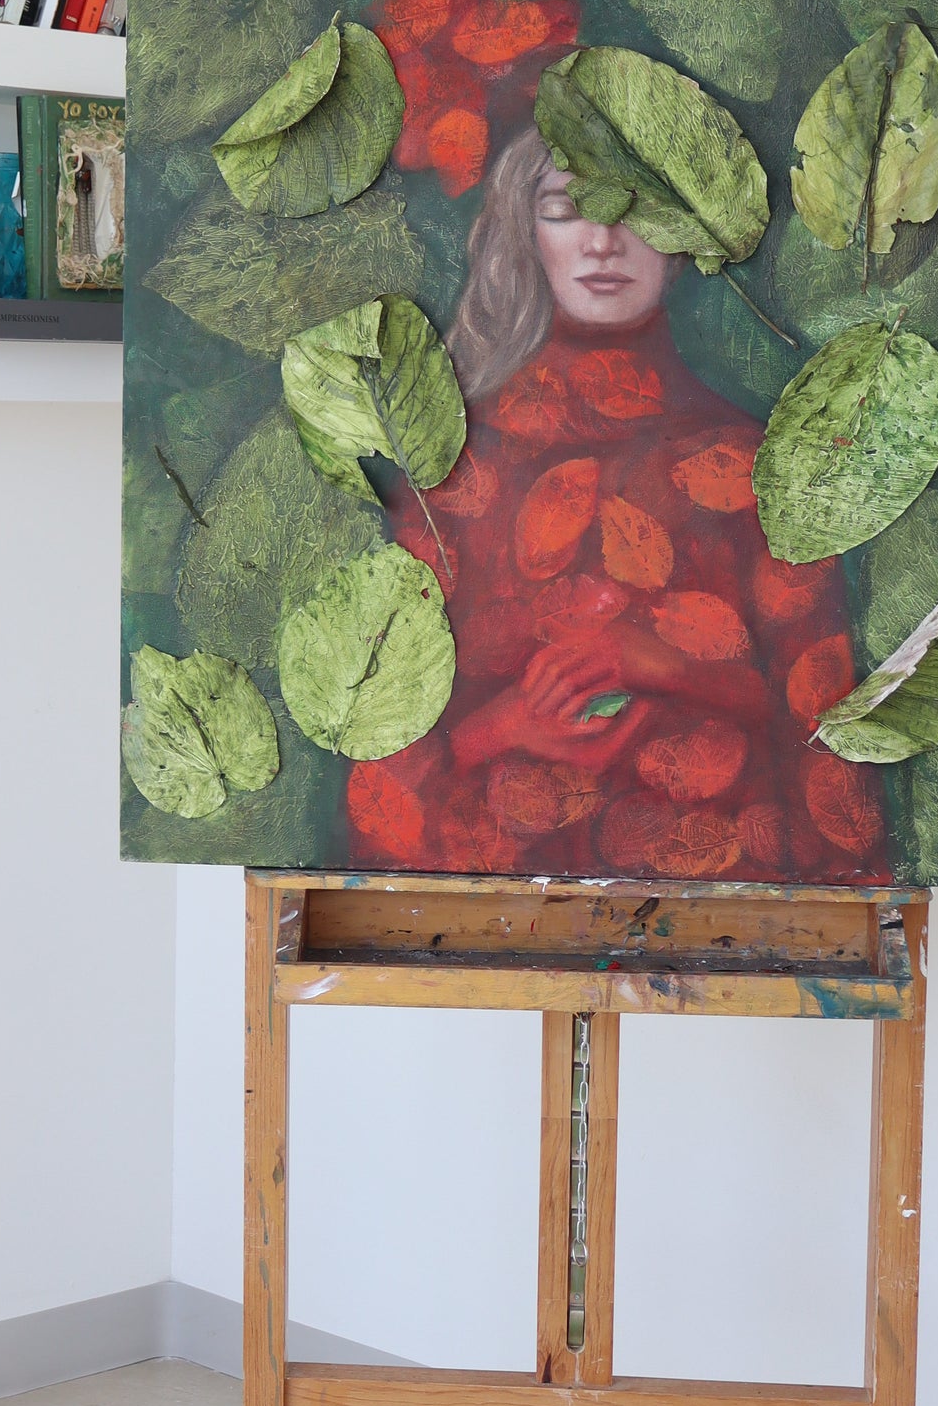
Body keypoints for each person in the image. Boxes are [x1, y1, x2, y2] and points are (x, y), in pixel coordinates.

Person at [347, 126, 888, 882]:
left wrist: (658, 662)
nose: (602, 241)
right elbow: (383, 761)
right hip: (485, 907)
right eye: (564, 209)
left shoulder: (753, 469)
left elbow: (822, 730)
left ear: (680, 240)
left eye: (634, 208)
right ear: (526, 234)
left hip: (722, 908)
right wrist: (506, 725)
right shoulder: (454, 476)